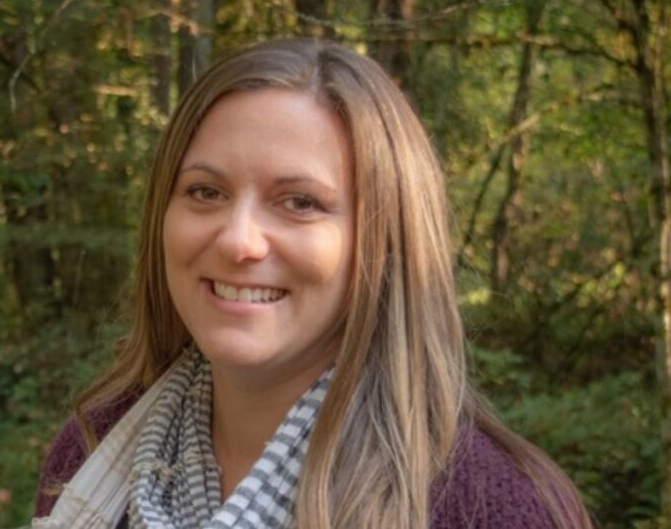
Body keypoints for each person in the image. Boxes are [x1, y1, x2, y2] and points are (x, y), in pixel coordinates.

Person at [33, 39, 592, 529]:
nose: (238, 241)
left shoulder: (491, 509)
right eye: (206, 192)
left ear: (385, 244)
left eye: (300, 203)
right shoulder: (90, 452)